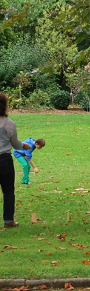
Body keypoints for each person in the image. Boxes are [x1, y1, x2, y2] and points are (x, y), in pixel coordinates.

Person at [0, 92, 31, 228]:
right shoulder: (9, 123)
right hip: (4, 160)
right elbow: (16, 144)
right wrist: (24, 145)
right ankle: (8, 220)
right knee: (8, 190)